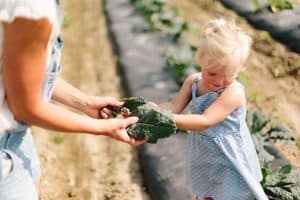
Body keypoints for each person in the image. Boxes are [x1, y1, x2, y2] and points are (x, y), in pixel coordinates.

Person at [0, 0, 144, 199]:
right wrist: (103, 128)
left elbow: (22, 76)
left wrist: (84, 103)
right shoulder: (31, 6)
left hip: (14, 134)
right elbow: (25, 107)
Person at [159, 18, 268, 200]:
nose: (219, 81)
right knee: (206, 192)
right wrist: (153, 109)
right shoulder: (193, 82)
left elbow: (205, 121)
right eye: (212, 73)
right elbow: (173, 106)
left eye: (229, 75)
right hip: (204, 153)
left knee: (231, 194)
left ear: (239, 69)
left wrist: (166, 119)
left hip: (229, 156)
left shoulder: (233, 92)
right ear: (200, 59)